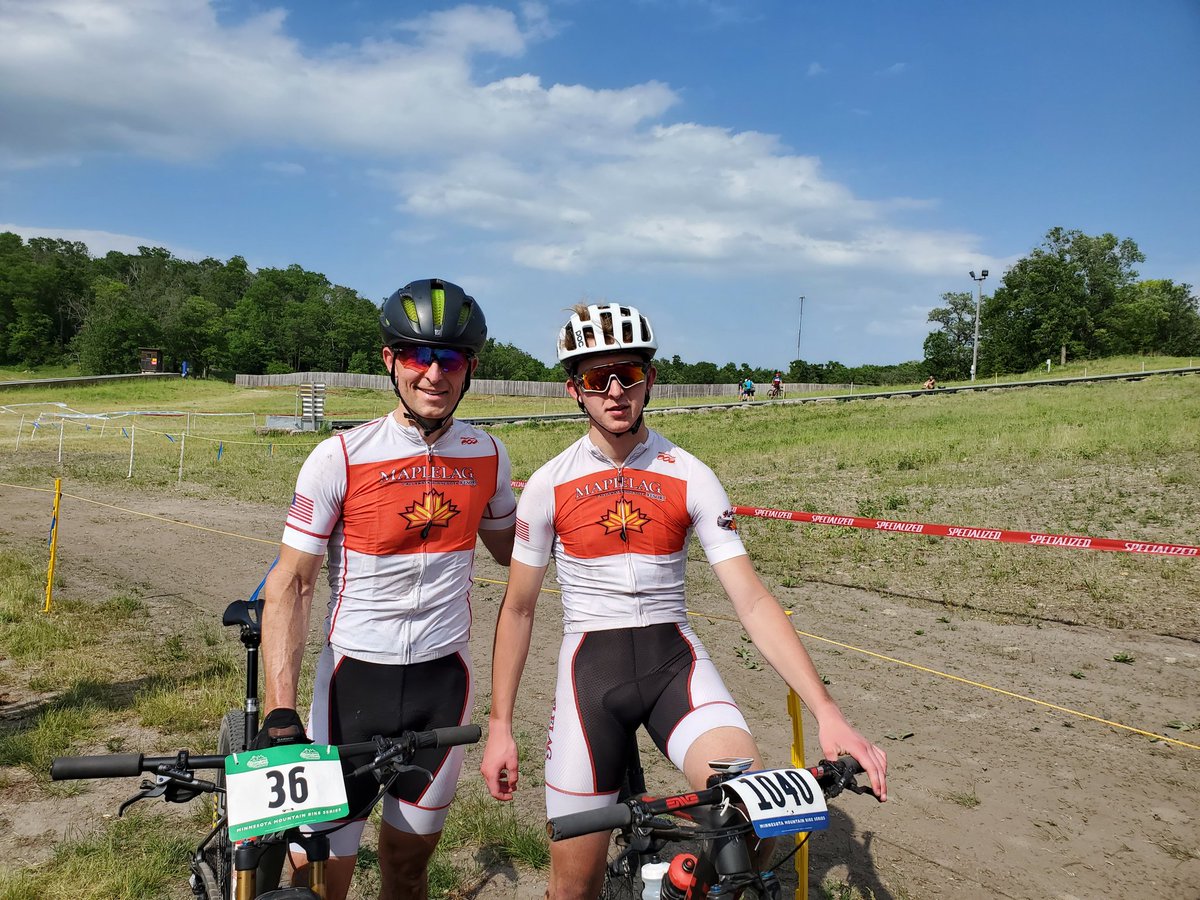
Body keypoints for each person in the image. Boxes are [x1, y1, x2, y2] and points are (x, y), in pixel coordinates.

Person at [480, 302, 887, 900]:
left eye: (629, 374)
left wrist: (828, 712)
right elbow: (517, 609)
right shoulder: (548, 484)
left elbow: (751, 600)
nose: (615, 391)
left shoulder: (691, 473)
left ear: (651, 380)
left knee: (754, 822)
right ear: (576, 390)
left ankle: (665, 884)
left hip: (676, 664)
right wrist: (499, 725)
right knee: (572, 888)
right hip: (590, 676)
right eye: (597, 378)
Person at [259, 278, 517, 900]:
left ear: (470, 369)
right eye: (417, 355)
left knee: (407, 870)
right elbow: (292, 584)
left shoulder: (488, 454)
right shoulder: (339, 456)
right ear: (390, 361)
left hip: (442, 685)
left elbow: (511, 552)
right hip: (350, 685)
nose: (434, 373)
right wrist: (280, 711)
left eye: (450, 358)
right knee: (321, 878)